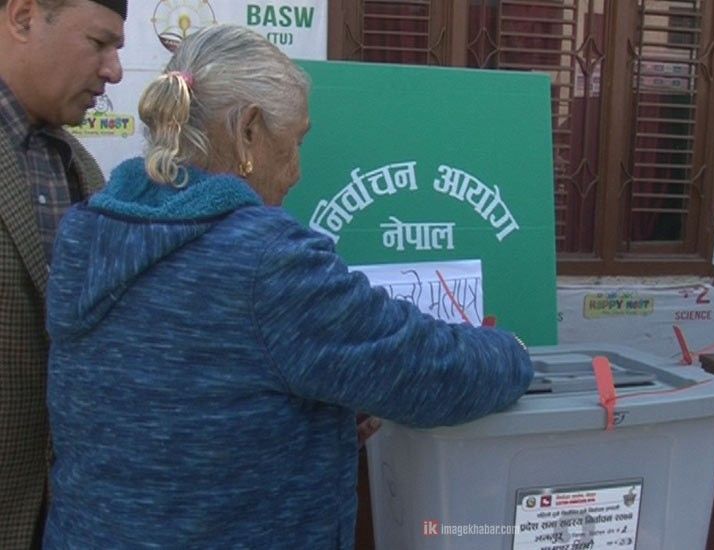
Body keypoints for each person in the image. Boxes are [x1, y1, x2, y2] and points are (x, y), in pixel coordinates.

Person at [44, 23, 533, 548]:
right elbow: (430, 370)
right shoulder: (267, 260)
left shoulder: (86, 231)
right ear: (248, 130)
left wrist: (310, 421)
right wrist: (512, 352)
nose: (298, 171)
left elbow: (169, 413)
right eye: (296, 141)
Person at [0, 0, 125, 547]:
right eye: (98, 43)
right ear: (24, 18)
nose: (114, 71)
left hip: (65, 518)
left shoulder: (83, 169)